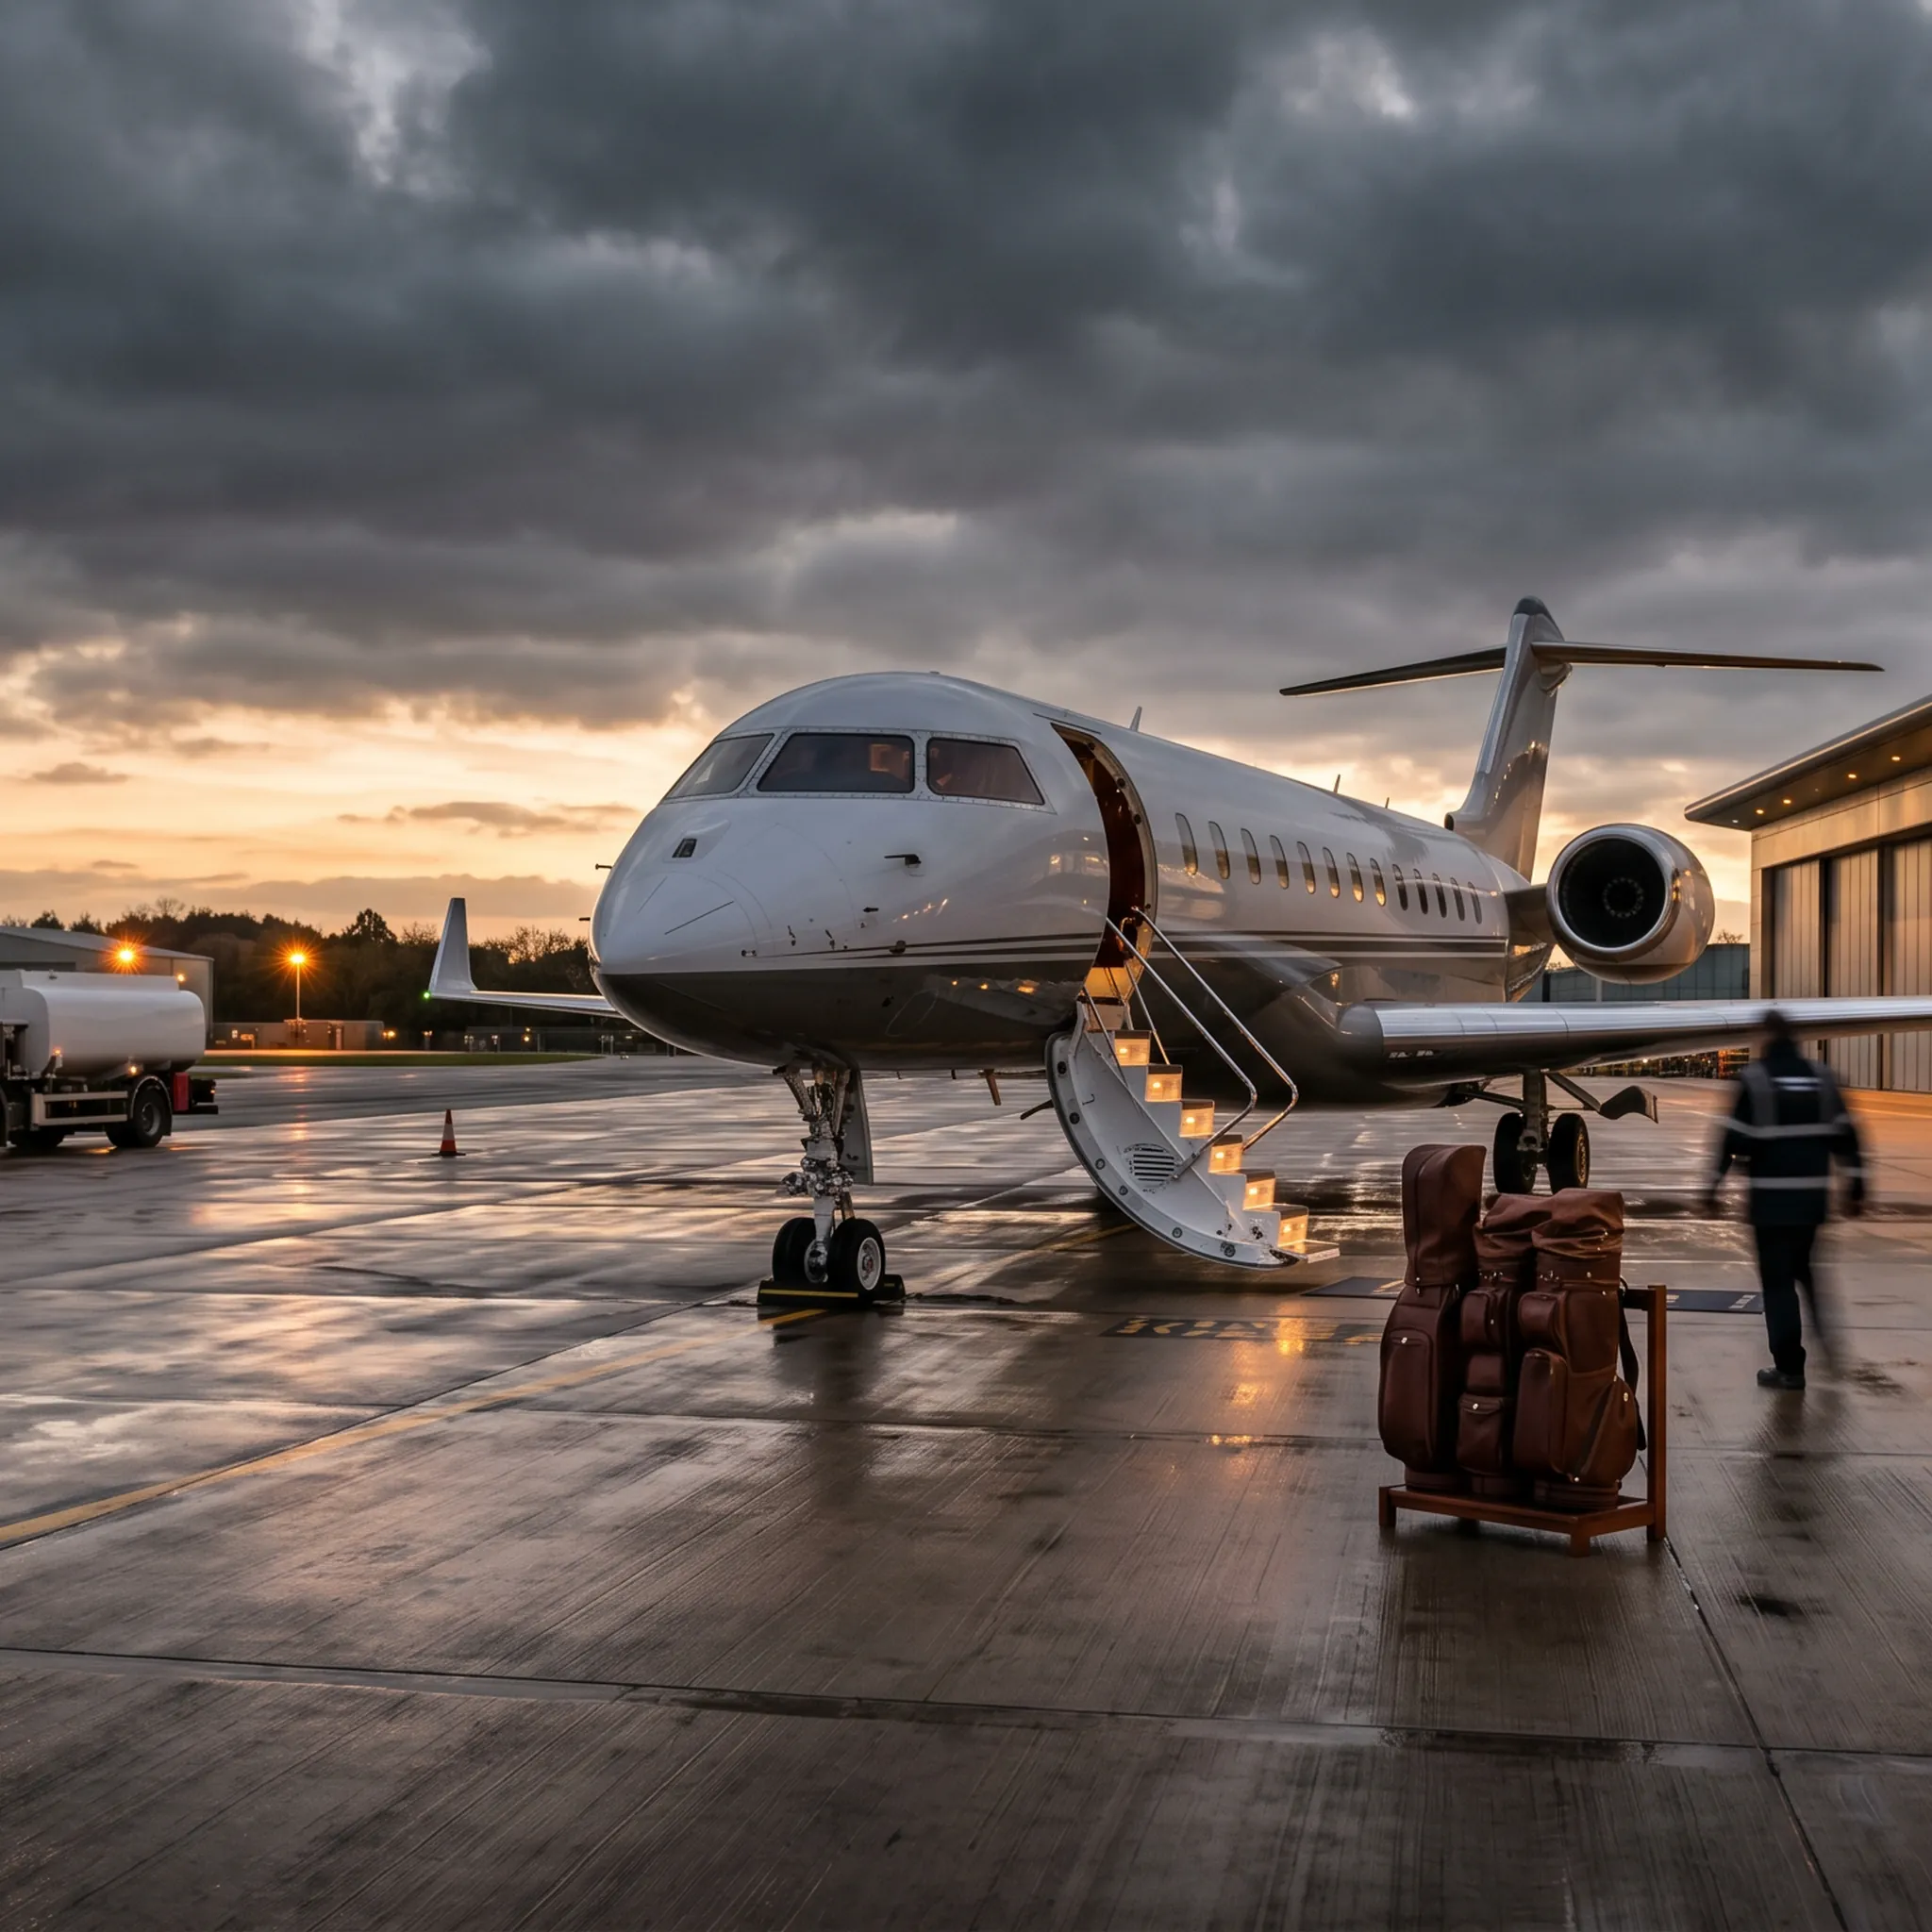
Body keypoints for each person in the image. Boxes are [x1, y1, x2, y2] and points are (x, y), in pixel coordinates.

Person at [1704, 1010, 1865, 1391]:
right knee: (1807, 1271)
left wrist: (1712, 1188)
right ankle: (1827, 1337)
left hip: (1770, 1203)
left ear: (1766, 1038)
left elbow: (1732, 1141)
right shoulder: (1823, 1079)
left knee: (1778, 1285)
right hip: (1812, 1201)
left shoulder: (1756, 1081)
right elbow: (1848, 1138)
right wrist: (1856, 1188)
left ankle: (1790, 1367)